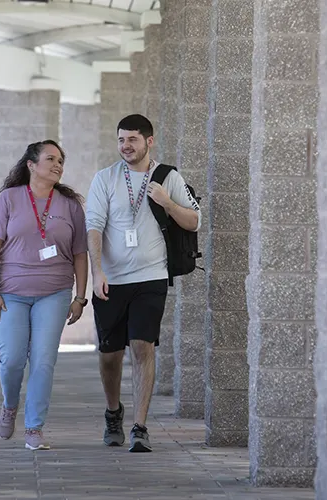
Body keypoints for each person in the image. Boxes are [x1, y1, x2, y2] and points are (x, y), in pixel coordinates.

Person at [86, 114, 201, 452]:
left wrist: (167, 201)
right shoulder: (105, 178)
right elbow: (93, 226)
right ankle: (113, 412)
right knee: (110, 354)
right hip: (112, 279)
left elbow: (194, 221)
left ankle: (139, 426)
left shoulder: (169, 177)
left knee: (142, 346)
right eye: (121, 140)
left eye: (132, 139)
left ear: (149, 141)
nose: (126, 146)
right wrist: (97, 273)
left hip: (152, 276)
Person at [0, 140, 89, 451]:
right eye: (51, 159)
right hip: (11, 293)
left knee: (43, 361)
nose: (58, 165)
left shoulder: (69, 206)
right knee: (13, 360)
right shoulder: (9, 199)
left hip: (54, 294)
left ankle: (34, 427)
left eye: (61, 160)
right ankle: (10, 405)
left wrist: (80, 297)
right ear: (31, 165)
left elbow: (80, 254)